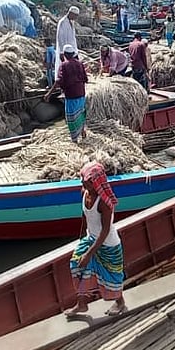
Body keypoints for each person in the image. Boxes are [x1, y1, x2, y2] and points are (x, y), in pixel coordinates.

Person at [65, 162, 127, 318]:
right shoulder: (84, 192)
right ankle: (81, 304)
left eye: (85, 180)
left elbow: (105, 231)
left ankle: (120, 303)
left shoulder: (104, 203)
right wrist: (81, 238)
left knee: (110, 277)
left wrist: (89, 254)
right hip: (91, 238)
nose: (82, 182)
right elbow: (85, 216)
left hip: (108, 244)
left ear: (95, 182)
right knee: (76, 264)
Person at [44, 44, 89, 142]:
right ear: (73, 54)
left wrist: (49, 93)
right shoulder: (80, 63)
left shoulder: (64, 65)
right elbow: (86, 79)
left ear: (64, 54)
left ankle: (74, 139)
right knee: (80, 114)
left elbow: (59, 81)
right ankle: (83, 132)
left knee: (71, 117)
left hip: (71, 95)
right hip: (81, 94)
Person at [55, 6, 80, 79]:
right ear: (71, 13)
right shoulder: (63, 22)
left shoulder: (71, 22)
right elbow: (60, 37)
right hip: (65, 50)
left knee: (75, 65)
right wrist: (62, 52)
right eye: (75, 16)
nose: (76, 18)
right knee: (65, 67)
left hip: (73, 49)